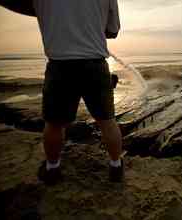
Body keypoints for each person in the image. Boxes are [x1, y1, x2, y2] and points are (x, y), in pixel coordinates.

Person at [31, 0, 124, 185]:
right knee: (107, 121)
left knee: (54, 124)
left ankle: (52, 168)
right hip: (95, 64)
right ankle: (115, 166)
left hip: (59, 64)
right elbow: (112, 31)